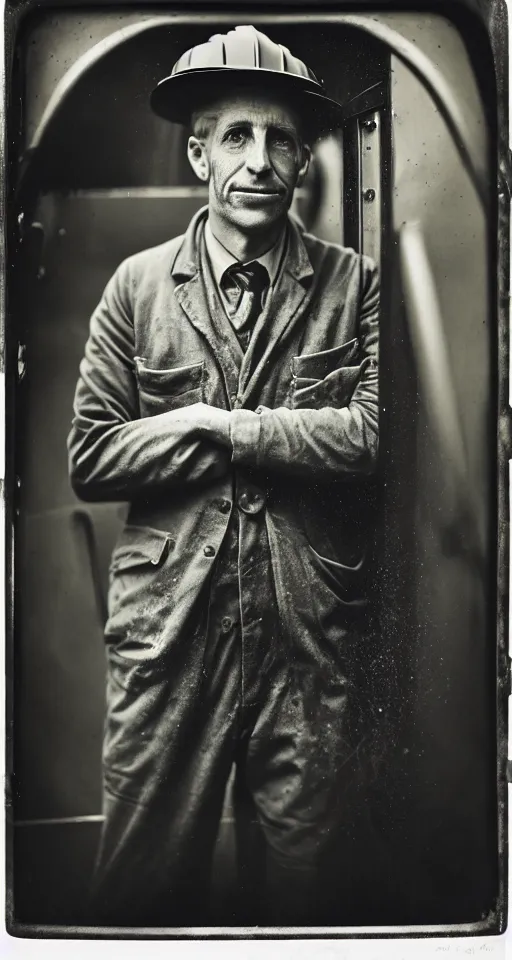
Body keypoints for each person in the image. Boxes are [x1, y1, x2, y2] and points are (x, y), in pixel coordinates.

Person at [67, 24, 379, 927]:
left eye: (282, 138)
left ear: (305, 157)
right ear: (198, 150)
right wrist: (247, 432)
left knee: (310, 902)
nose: (260, 160)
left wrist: (221, 423)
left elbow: (369, 436)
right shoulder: (135, 287)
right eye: (235, 136)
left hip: (305, 643)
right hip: (168, 646)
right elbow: (91, 453)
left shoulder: (352, 284)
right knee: (137, 898)